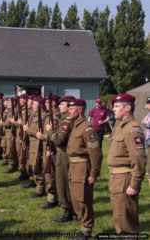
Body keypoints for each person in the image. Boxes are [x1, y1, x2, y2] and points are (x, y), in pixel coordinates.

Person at [107, 93, 146, 234]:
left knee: (126, 221)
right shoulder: (121, 126)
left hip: (125, 179)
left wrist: (134, 184)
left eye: (117, 106)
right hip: (116, 178)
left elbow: (139, 158)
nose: (114, 109)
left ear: (127, 108)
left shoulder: (132, 129)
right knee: (119, 216)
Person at [67, 99, 102, 240]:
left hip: (82, 167)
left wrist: (94, 173)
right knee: (75, 198)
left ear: (80, 110)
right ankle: (82, 224)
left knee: (83, 199)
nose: (69, 111)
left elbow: (95, 152)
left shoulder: (87, 128)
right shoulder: (75, 126)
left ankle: (86, 229)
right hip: (73, 166)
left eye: (72, 108)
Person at [46, 95, 75, 223]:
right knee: (64, 183)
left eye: (62, 104)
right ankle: (71, 209)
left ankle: (66, 211)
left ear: (69, 107)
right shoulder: (64, 119)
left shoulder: (67, 121)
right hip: (60, 153)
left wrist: (50, 131)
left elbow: (60, 140)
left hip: (64, 155)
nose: (59, 106)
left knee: (62, 183)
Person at [142, 96, 150, 184]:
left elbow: (147, 124)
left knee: (148, 156)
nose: (147, 105)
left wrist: (146, 122)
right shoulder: (148, 113)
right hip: (147, 136)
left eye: (148, 103)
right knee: (147, 155)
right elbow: (143, 121)